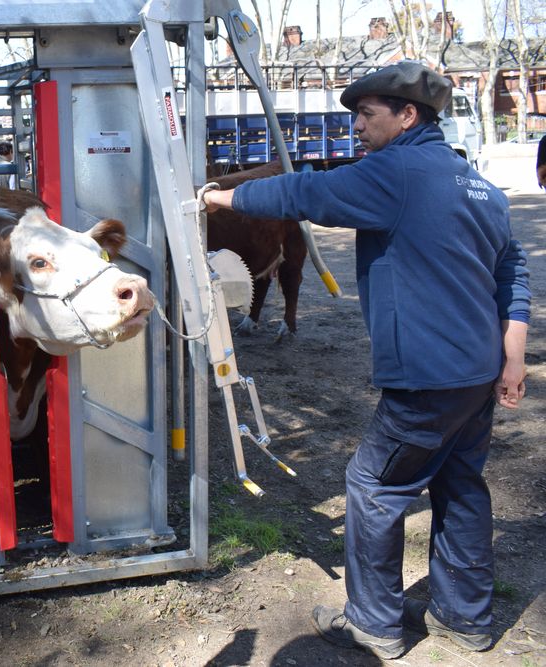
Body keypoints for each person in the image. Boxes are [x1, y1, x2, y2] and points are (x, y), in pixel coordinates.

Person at [203, 61, 531, 660]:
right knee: (460, 484)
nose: (355, 125)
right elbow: (512, 269)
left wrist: (224, 195)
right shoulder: (474, 181)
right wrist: (514, 355)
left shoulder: (398, 170)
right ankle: (467, 618)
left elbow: (310, 192)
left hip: (428, 374)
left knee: (374, 484)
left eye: (367, 114)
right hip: (479, 371)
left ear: (408, 116)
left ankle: (374, 623)